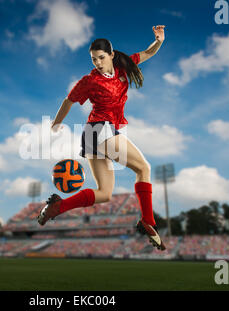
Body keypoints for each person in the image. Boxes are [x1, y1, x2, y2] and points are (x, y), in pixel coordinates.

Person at [38, 26, 167, 251]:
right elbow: (67, 101)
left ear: (111, 55)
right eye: (93, 59)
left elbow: (148, 53)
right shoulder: (89, 81)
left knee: (104, 194)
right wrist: (56, 123)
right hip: (98, 129)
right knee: (143, 168)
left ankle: (57, 208)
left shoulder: (123, 66)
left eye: (100, 57)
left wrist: (159, 40)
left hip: (99, 133)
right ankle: (149, 221)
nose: (97, 62)